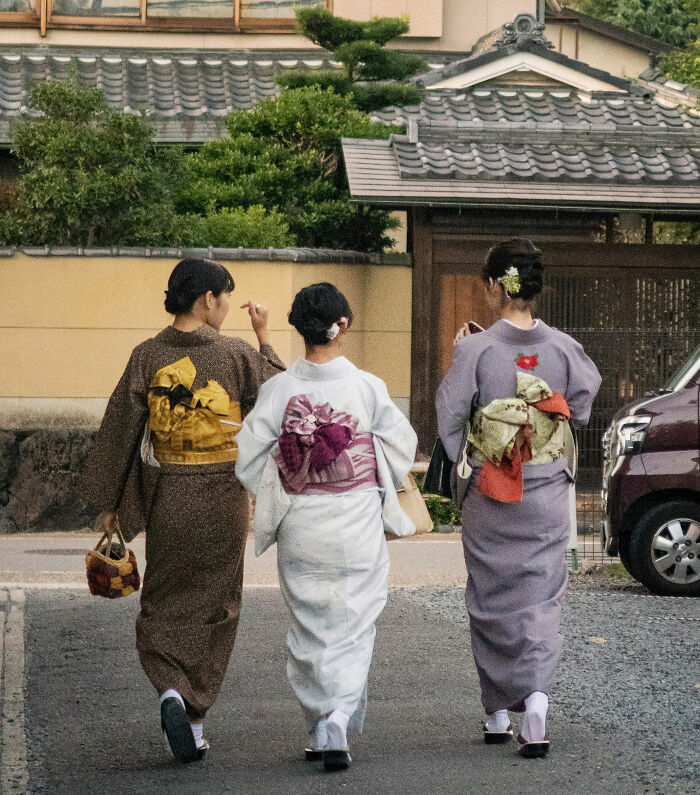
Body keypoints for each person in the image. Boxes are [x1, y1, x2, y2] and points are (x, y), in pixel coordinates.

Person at [83, 258, 284, 763]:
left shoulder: (146, 355)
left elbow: (120, 433)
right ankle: (193, 717)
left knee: (165, 598)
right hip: (223, 496)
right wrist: (264, 337)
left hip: (169, 494)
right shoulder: (236, 353)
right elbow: (278, 394)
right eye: (224, 298)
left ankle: (169, 686)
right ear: (206, 300)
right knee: (218, 604)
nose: (226, 309)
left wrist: (112, 504)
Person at [235, 282, 417, 772]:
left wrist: (295, 464)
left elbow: (248, 458)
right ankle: (338, 715)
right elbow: (400, 446)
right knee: (355, 621)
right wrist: (359, 457)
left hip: (302, 520)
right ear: (344, 325)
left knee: (310, 624)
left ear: (299, 328)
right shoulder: (366, 387)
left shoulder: (278, 390)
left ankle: (321, 722)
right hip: (355, 516)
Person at [436, 239, 601, 758]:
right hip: (547, 488)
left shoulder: (475, 349)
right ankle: (535, 704)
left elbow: (450, 416)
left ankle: (496, 712)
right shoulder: (564, 348)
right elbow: (581, 404)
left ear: (492, 286)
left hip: (494, 488)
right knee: (541, 596)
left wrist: (481, 446)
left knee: (490, 598)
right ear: (536, 288)